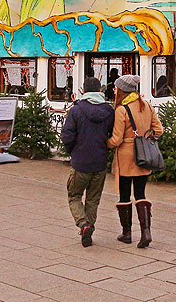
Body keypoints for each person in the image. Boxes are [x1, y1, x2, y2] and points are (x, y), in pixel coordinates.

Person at [108, 74, 163, 248]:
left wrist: (105, 144)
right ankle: (146, 232)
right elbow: (158, 130)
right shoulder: (146, 105)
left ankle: (126, 233)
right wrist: (145, 138)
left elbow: (116, 139)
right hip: (143, 156)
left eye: (116, 88)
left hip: (125, 157)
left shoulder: (121, 110)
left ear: (122, 90)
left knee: (124, 195)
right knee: (141, 194)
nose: (114, 90)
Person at [60, 76, 114, 247]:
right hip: (99, 162)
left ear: (83, 91)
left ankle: (83, 225)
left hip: (81, 162)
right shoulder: (109, 111)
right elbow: (112, 135)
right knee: (93, 198)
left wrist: (73, 152)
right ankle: (89, 226)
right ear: (100, 91)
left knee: (74, 195)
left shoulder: (76, 111)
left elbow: (67, 136)